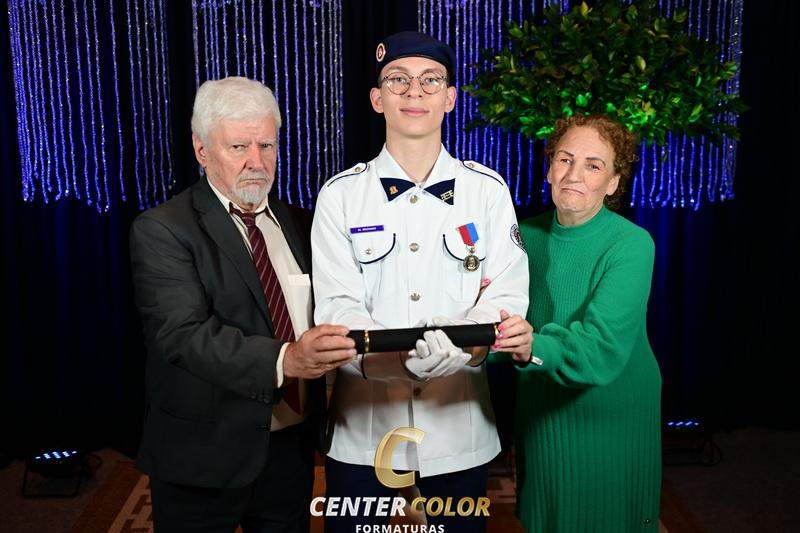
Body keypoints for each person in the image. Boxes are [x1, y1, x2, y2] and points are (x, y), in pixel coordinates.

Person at [311, 31, 531, 533]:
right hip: (364, 430)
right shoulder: (341, 196)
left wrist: (464, 348)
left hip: (458, 429)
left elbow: (504, 294)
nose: (414, 92)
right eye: (398, 80)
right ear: (377, 98)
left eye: (431, 80)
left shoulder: (487, 192)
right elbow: (338, 305)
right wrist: (394, 361)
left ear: (450, 98)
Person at [129, 76, 356, 533]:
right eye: (238, 147)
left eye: (266, 145)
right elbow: (182, 335)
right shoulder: (163, 229)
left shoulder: (301, 222)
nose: (256, 161)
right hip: (202, 457)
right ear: (202, 150)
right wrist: (286, 359)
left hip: (290, 451)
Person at [496, 114, 662, 532]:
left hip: (611, 414)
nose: (573, 175)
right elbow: (498, 329)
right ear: (549, 168)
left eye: (593, 165)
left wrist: (530, 346)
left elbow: (600, 349)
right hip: (542, 411)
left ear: (613, 183)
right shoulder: (521, 237)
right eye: (565, 159)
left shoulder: (631, 244)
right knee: (548, 519)